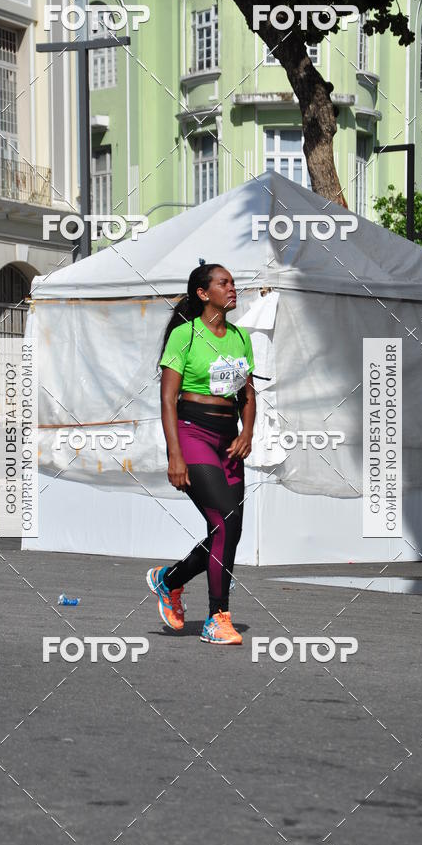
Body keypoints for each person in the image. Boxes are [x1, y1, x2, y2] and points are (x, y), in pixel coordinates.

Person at [146, 263, 256, 645]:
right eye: (224, 283)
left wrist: (248, 433)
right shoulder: (185, 335)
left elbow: (248, 395)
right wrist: (175, 456)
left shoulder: (241, 337)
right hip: (193, 434)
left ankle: (170, 580)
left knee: (229, 529)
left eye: (233, 282)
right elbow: (167, 399)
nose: (232, 288)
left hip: (229, 439)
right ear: (203, 293)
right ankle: (217, 618)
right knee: (225, 521)